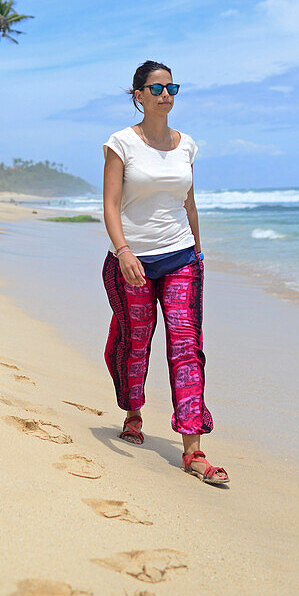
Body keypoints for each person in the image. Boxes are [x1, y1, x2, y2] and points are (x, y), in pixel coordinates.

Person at [101, 60, 228, 486]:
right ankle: (133, 414)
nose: (166, 95)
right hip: (133, 261)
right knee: (137, 343)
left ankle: (193, 449)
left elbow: (188, 202)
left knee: (186, 350)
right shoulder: (121, 143)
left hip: (181, 259)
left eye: (172, 87)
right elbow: (111, 204)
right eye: (156, 89)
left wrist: (198, 248)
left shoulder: (186, 145)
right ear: (138, 95)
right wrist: (123, 252)